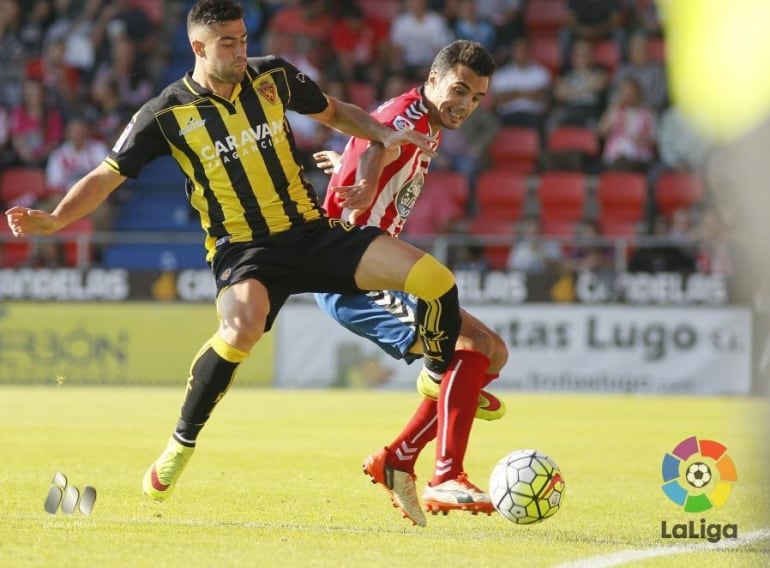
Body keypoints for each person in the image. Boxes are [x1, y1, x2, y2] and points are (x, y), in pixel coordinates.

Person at [5, 0, 464, 518]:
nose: (242, 50)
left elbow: (335, 112)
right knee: (242, 329)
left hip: (310, 231)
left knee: (436, 279)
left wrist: (378, 133)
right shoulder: (165, 113)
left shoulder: (272, 77)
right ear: (198, 47)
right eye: (228, 42)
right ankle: (180, 444)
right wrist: (56, 220)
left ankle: (433, 371)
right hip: (244, 251)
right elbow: (106, 176)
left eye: (243, 38)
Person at [311, 40, 507, 526]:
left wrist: (347, 171)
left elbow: (373, 143)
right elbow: (382, 140)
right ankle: (447, 474)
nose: (465, 104)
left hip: (378, 265)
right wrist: (364, 183)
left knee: (491, 351)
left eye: (477, 97)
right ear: (434, 79)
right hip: (352, 273)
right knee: (467, 349)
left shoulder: (426, 119)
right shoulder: (410, 116)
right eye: (459, 90)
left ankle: (399, 456)